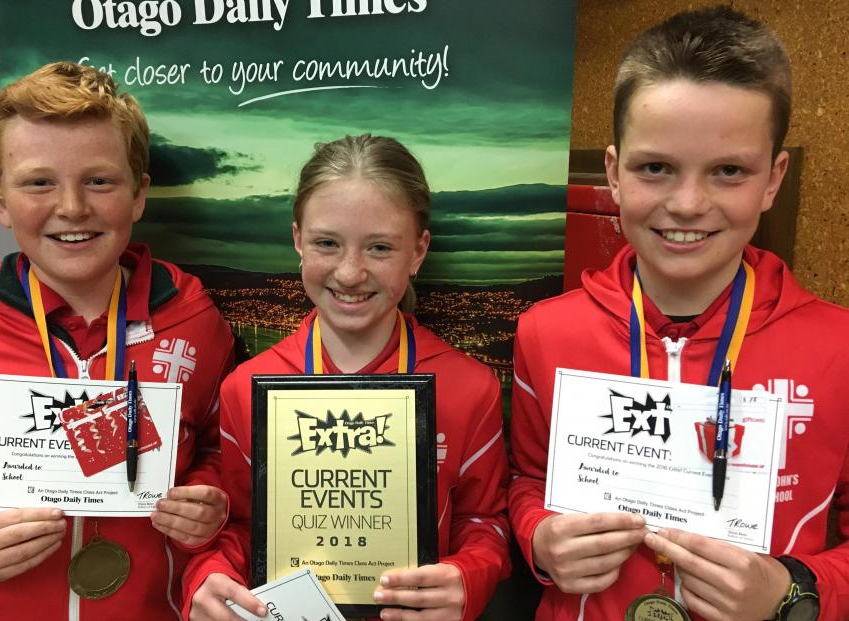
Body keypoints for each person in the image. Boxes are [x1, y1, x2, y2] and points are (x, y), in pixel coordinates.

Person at [508, 6, 848, 621]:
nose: (688, 203)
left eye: (728, 171)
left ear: (772, 180)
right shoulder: (545, 332)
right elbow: (529, 479)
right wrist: (538, 538)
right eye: (656, 168)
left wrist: (792, 591)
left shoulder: (839, 348)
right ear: (614, 173)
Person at [0, 62, 235, 619]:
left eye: (99, 181)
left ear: (138, 195)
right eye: (38, 183)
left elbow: (220, 452)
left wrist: (209, 500)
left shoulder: (195, 319)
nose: (73, 208)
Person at [183, 134, 510, 621]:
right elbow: (242, 528)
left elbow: (484, 521)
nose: (351, 272)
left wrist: (468, 578)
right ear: (298, 240)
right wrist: (205, 579)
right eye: (327, 244)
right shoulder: (245, 388)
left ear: (418, 251)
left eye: (379, 247)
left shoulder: (471, 389)